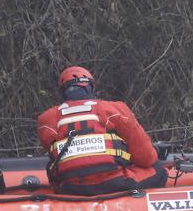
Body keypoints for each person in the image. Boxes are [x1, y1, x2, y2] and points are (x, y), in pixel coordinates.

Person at [37, 66, 166, 196]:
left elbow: (55, 157)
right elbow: (146, 158)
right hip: (115, 183)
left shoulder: (47, 120)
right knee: (158, 171)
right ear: (90, 87)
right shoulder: (114, 109)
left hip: (71, 188)